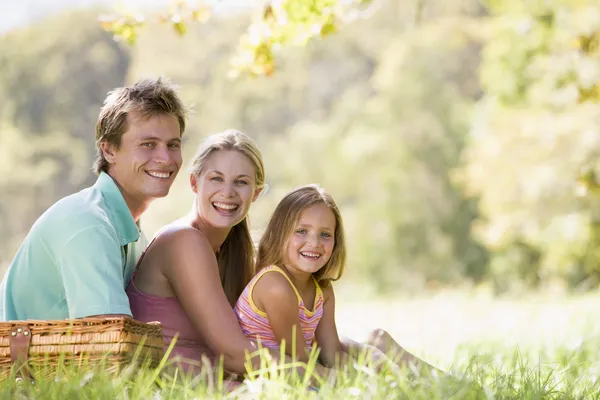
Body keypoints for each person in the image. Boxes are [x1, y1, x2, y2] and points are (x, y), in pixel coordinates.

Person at [0, 77, 186, 321]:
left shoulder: (135, 237)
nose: (165, 158)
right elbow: (108, 342)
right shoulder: (89, 224)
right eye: (148, 144)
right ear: (109, 150)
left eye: (172, 145)